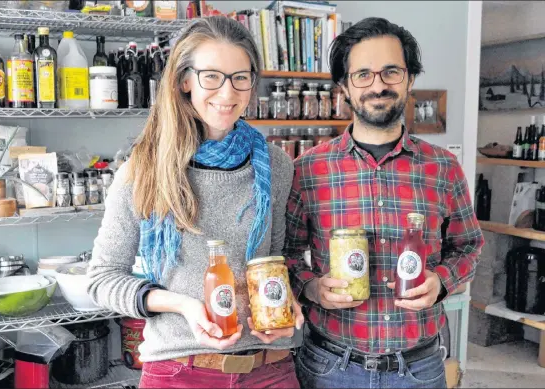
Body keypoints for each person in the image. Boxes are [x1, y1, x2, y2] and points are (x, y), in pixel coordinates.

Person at [87, 16, 303, 389]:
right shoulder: (144, 170)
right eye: (212, 76)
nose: (228, 92)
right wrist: (183, 305)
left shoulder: (275, 166)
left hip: (270, 368)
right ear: (185, 80)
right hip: (178, 369)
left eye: (240, 77)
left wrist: (288, 300)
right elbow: (102, 280)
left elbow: (276, 259)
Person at [284, 17, 484, 389]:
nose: (378, 85)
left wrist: (441, 281)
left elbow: (469, 245)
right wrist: (310, 287)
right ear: (343, 86)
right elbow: (286, 252)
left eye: (391, 71)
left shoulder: (443, 167)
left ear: (410, 78)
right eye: (363, 74)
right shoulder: (308, 169)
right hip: (329, 366)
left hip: (419, 367)